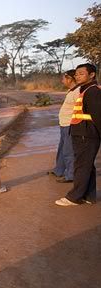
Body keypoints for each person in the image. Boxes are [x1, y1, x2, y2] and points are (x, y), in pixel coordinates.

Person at [56, 63, 101, 206]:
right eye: (76, 74)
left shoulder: (92, 91)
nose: (77, 76)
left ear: (92, 74)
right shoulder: (84, 89)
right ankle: (89, 195)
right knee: (87, 165)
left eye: (81, 73)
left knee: (81, 165)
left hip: (86, 134)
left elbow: (98, 116)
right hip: (81, 132)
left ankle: (74, 197)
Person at [47, 70, 79, 183]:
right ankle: (59, 170)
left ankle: (71, 175)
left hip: (70, 125)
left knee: (68, 151)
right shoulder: (72, 91)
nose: (62, 80)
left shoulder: (77, 91)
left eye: (63, 78)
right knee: (62, 149)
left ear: (70, 79)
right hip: (64, 125)